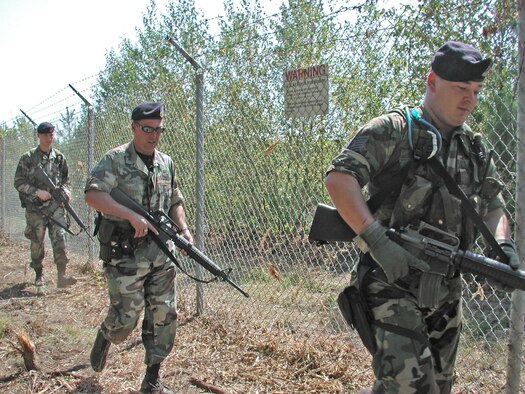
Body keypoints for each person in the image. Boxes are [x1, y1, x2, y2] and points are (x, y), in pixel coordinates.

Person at [325, 41, 519, 393]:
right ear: (431, 82)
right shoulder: (396, 130)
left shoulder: (474, 148)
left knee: (438, 386)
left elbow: (493, 205)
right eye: (460, 88)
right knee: (410, 388)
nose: (469, 99)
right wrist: (377, 239)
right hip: (391, 282)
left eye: (475, 91)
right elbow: (339, 179)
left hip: (446, 290)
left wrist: (502, 246)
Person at [84, 102, 193, 394]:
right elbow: (93, 195)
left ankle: (152, 380)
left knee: (164, 316)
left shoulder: (166, 163)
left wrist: (183, 231)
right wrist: (129, 215)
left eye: (159, 129)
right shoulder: (115, 160)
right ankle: (106, 335)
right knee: (125, 320)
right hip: (125, 254)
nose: (154, 135)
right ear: (133, 127)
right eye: (147, 129)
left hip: (161, 254)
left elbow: (175, 200)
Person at [14, 121, 77, 289]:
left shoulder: (59, 158)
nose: (50, 137)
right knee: (37, 242)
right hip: (36, 208)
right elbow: (18, 182)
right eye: (46, 135)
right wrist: (36, 192)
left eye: (52, 134)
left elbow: (66, 180)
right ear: (39, 136)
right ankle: (39, 274)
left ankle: (61, 276)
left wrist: (66, 192)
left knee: (60, 238)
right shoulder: (28, 158)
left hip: (56, 207)